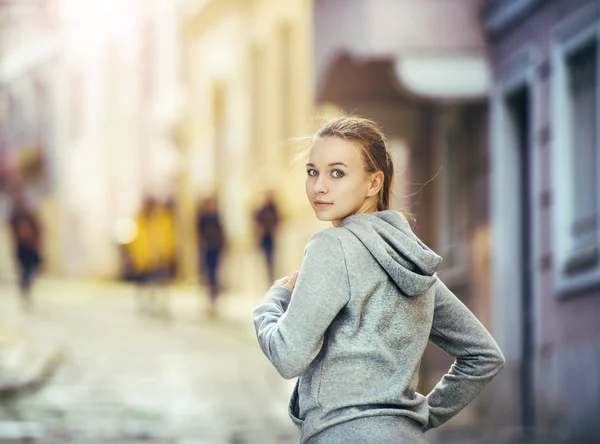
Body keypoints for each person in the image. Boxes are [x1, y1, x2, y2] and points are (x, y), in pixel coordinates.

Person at [253, 115, 505, 444]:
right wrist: (413, 420)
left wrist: (272, 303)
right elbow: (484, 356)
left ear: (374, 183)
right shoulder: (413, 260)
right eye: (312, 171)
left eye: (337, 173)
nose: (319, 186)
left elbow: (288, 357)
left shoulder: (332, 247)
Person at [9, 193, 42, 311]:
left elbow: (38, 228)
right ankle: (24, 288)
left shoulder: (29, 215)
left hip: (29, 245)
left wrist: (37, 241)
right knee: (25, 270)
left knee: (33, 267)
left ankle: (25, 287)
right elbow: (12, 233)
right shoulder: (15, 216)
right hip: (22, 246)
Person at [196, 195, 225, 316]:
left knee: (215, 274)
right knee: (209, 274)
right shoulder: (203, 218)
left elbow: (221, 232)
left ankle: (214, 298)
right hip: (207, 249)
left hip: (215, 249)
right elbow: (199, 233)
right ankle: (210, 298)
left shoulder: (216, 217)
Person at [254, 191, 280, 284]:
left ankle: (271, 274)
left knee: (271, 256)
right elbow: (257, 220)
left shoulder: (273, 209)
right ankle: (268, 275)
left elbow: (278, 220)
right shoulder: (263, 210)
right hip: (264, 236)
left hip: (271, 236)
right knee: (267, 256)